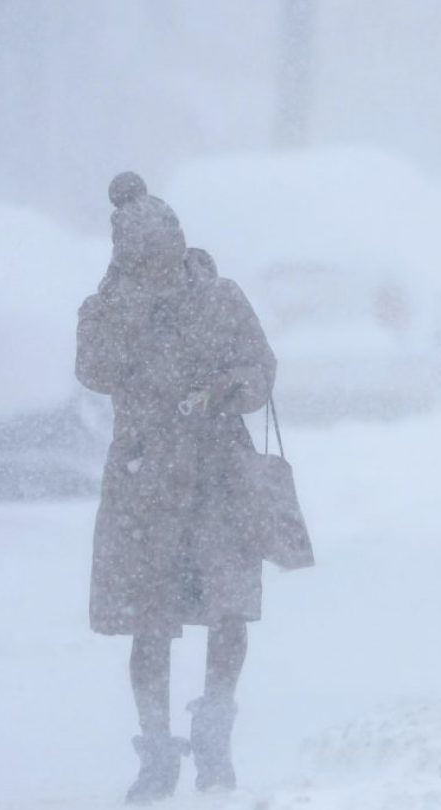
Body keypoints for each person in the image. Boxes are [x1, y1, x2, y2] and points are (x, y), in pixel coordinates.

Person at [76, 172, 277, 803]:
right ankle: (157, 750)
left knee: (228, 606)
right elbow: (94, 370)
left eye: (161, 256)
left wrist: (222, 391)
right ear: (125, 258)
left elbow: (259, 370)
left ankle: (215, 733)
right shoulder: (109, 306)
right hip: (146, 484)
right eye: (140, 262)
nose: (155, 271)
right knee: (148, 621)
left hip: (218, 476)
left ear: (178, 245)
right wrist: (119, 300)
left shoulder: (221, 298)